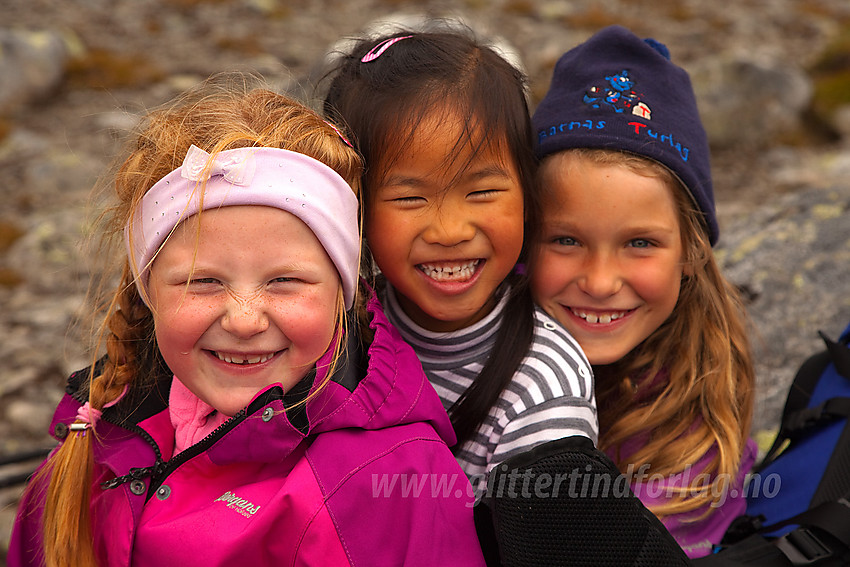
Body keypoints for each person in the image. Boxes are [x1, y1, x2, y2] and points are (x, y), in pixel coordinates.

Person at [8, 78, 485, 567]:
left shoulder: (393, 482)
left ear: (342, 294)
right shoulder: (99, 433)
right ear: (149, 293)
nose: (243, 319)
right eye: (202, 282)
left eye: (284, 281)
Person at [322, 26, 597, 483]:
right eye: (410, 199)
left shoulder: (544, 386)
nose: (450, 231)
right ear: (354, 207)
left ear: (527, 195)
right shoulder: (335, 336)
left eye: (483, 191)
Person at [530, 25, 758, 558]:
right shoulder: (474, 342)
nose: (601, 282)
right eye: (565, 239)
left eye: (639, 242)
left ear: (691, 253)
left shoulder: (694, 424)